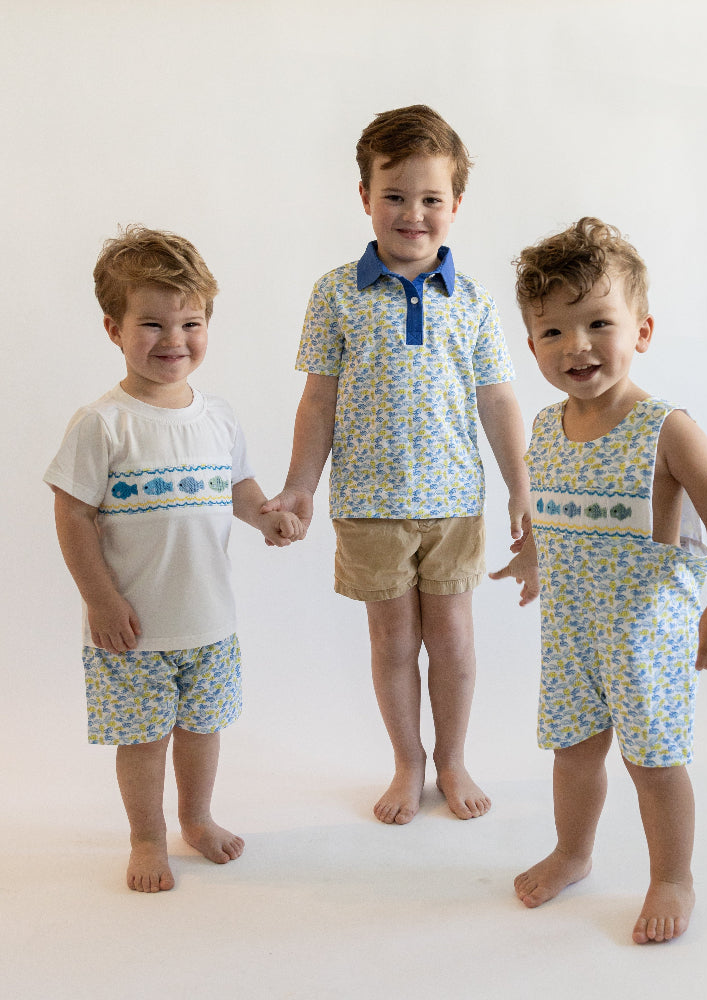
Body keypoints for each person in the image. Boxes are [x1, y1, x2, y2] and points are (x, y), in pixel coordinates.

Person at [266, 105, 530, 825]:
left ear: (455, 206)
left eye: (431, 199)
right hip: (368, 505)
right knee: (394, 642)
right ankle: (408, 760)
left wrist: (521, 487)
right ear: (365, 197)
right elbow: (317, 401)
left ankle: (453, 757)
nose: (413, 213)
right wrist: (298, 486)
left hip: (453, 504)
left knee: (453, 640)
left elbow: (499, 401)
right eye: (395, 195)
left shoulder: (471, 301)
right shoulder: (336, 293)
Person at [490, 217, 707, 943]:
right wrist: (534, 555)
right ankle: (573, 852)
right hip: (572, 629)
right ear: (533, 340)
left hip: (646, 635)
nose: (576, 346)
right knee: (574, 752)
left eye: (598, 322)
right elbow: (550, 507)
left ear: (641, 330)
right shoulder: (545, 429)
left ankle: (673, 875)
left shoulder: (663, 427)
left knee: (652, 762)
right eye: (552, 331)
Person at [45, 226, 302, 892]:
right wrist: (101, 599)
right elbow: (72, 513)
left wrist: (267, 515)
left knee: (201, 730)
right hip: (133, 631)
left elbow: (237, 488)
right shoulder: (103, 423)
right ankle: (148, 837)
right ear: (113, 328)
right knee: (144, 740)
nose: (173, 340)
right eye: (152, 324)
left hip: (210, 623)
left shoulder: (217, 417)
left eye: (190, 322)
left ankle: (197, 817)